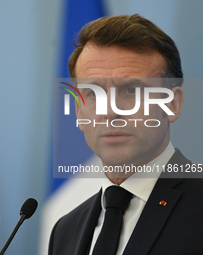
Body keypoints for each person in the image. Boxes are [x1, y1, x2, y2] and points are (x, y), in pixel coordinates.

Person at [48, 14, 203, 255]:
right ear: (79, 111)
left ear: (172, 104)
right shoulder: (65, 231)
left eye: (131, 90)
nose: (110, 111)